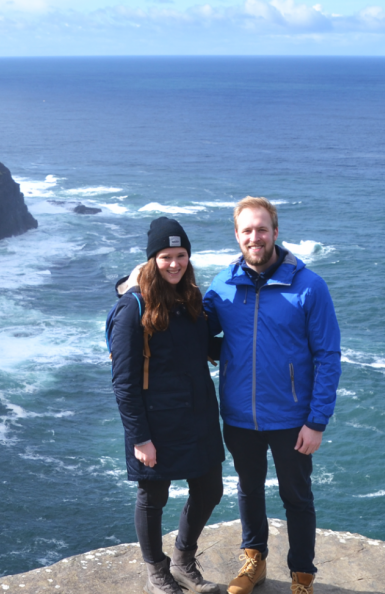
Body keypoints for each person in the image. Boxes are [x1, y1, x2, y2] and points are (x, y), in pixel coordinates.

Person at [202, 197, 341, 594]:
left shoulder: (310, 286)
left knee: (296, 497)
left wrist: (316, 421)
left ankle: (302, 576)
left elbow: (328, 356)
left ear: (276, 232)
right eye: (247, 230)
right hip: (239, 414)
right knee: (248, 489)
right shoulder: (222, 285)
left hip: (292, 418)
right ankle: (254, 561)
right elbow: (190, 328)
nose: (255, 237)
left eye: (262, 229)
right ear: (237, 235)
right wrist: (128, 311)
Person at [108, 217, 227, 594]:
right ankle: (156, 570)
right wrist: (140, 438)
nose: (174, 263)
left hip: (198, 416)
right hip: (156, 423)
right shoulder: (132, 308)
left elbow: (204, 347)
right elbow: (123, 382)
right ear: (152, 260)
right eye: (165, 257)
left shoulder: (190, 298)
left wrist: (260, 340)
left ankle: (182, 559)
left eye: (181, 255)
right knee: (152, 498)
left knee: (210, 489)